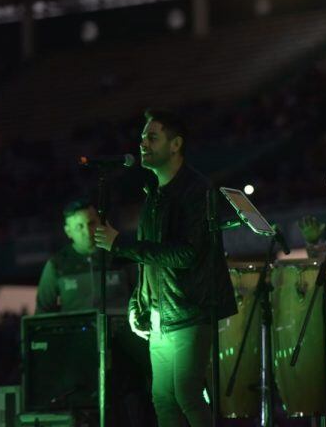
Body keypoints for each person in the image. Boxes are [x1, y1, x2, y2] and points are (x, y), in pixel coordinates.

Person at [94, 109, 236, 427]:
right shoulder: (155, 196)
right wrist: (138, 302)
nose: (142, 143)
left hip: (190, 311)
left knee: (186, 394)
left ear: (175, 145)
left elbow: (186, 254)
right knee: (163, 399)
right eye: (143, 137)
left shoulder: (196, 191)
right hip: (161, 315)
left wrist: (121, 245)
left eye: (152, 137)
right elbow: (151, 261)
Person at [36, 199, 134, 314]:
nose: (87, 232)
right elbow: (43, 311)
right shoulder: (56, 264)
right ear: (68, 231)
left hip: (119, 330)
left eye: (91, 223)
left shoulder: (122, 255)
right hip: (75, 331)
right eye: (79, 227)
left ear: (101, 223)